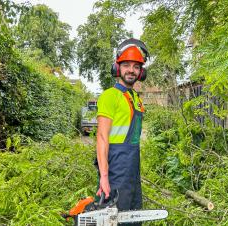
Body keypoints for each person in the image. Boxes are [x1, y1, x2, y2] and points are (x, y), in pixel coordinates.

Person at [95, 38, 149, 223]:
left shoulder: (135, 98)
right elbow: (102, 137)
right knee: (114, 217)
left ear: (141, 72)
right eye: (126, 65)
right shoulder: (110, 96)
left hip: (132, 166)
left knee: (133, 217)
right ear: (117, 68)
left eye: (136, 66)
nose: (131, 70)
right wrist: (104, 176)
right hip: (116, 165)